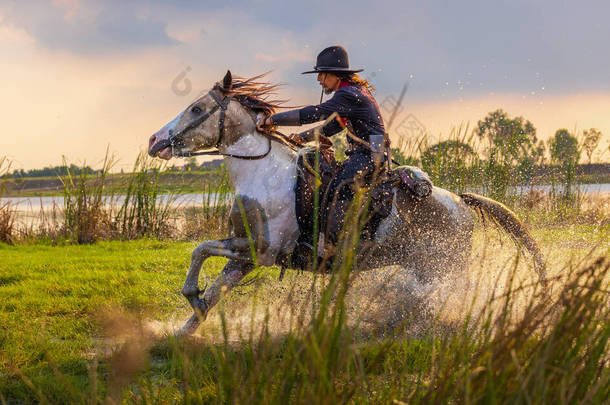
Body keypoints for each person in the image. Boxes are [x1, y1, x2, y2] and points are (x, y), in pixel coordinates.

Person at [257, 45, 386, 254]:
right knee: (327, 186)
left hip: (370, 155)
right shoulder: (351, 93)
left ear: (335, 75)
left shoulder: (348, 94)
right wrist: (303, 136)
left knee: (338, 187)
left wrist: (274, 119)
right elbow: (332, 126)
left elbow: (317, 113)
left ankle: (332, 245)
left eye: (322, 75)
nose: (319, 80)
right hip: (368, 154)